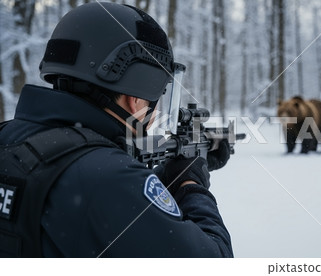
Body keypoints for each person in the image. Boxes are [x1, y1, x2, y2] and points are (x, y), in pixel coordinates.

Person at [0, 2, 233, 257]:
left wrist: (164, 177)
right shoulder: (107, 179)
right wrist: (191, 185)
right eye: (159, 94)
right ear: (137, 97)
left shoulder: (11, 140)